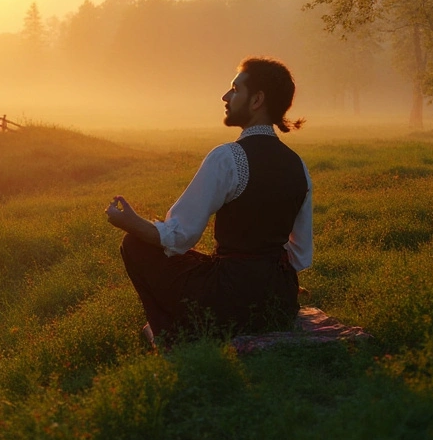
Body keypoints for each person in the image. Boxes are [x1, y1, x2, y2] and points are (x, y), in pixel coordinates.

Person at [105, 57, 312, 347]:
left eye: (235, 89)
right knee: (202, 259)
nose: (225, 97)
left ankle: (172, 331)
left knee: (135, 244)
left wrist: (132, 223)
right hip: (280, 304)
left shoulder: (228, 158)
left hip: (231, 299)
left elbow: (179, 236)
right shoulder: (297, 165)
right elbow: (300, 255)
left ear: (257, 100)